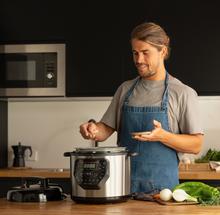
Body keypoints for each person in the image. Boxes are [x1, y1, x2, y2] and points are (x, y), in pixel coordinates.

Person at [79, 22, 204, 194]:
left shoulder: (183, 93)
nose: (139, 60)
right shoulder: (125, 89)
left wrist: (163, 136)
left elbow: (196, 145)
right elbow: (105, 130)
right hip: (122, 188)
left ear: (163, 51)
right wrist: (92, 128)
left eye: (145, 53)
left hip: (163, 195)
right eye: (135, 53)